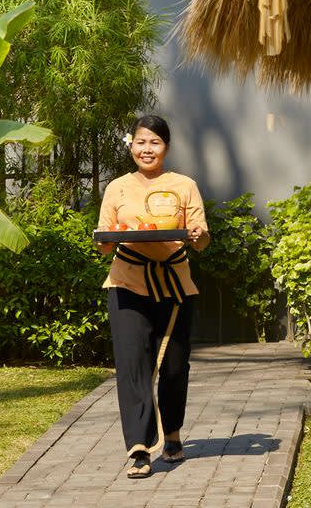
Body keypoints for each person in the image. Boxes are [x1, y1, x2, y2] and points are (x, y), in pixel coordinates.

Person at [95, 114, 210, 480]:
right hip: (126, 281)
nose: (147, 149)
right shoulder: (117, 188)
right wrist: (103, 239)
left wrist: (195, 234)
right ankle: (140, 449)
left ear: (166, 147)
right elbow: (103, 241)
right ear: (131, 146)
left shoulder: (184, 185)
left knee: (175, 365)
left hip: (175, 283)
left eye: (155, 142)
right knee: (132, 365)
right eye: (141, 142)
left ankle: (172, 434)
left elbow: (202, 238)